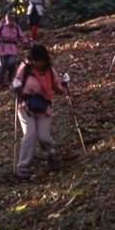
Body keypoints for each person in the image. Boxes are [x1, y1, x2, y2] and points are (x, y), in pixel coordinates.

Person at [12, 44, 66, 180]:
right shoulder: (25, 69)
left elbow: (59, 89)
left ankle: (51, 157)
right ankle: (22, 167)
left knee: (43, 136)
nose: (39, 64)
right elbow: (14, 86)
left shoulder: (49, 71)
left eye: (41, 61)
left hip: (43, 106)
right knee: (30, 134)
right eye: (36, 61)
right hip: (26, 106)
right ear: (31, 60)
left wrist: (65, 83)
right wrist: (14, 86)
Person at [0, 11, 33, 89]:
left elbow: (21, 37)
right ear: (6, 19)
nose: (10, 21)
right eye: (9, 19)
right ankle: (1, 81)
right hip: (1, 49)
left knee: (12, 63)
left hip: (12, 48)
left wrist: (28, 42)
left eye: (12, 20)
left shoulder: (16, 27)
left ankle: (10, 77)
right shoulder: (1, 26)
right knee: (2, 65)